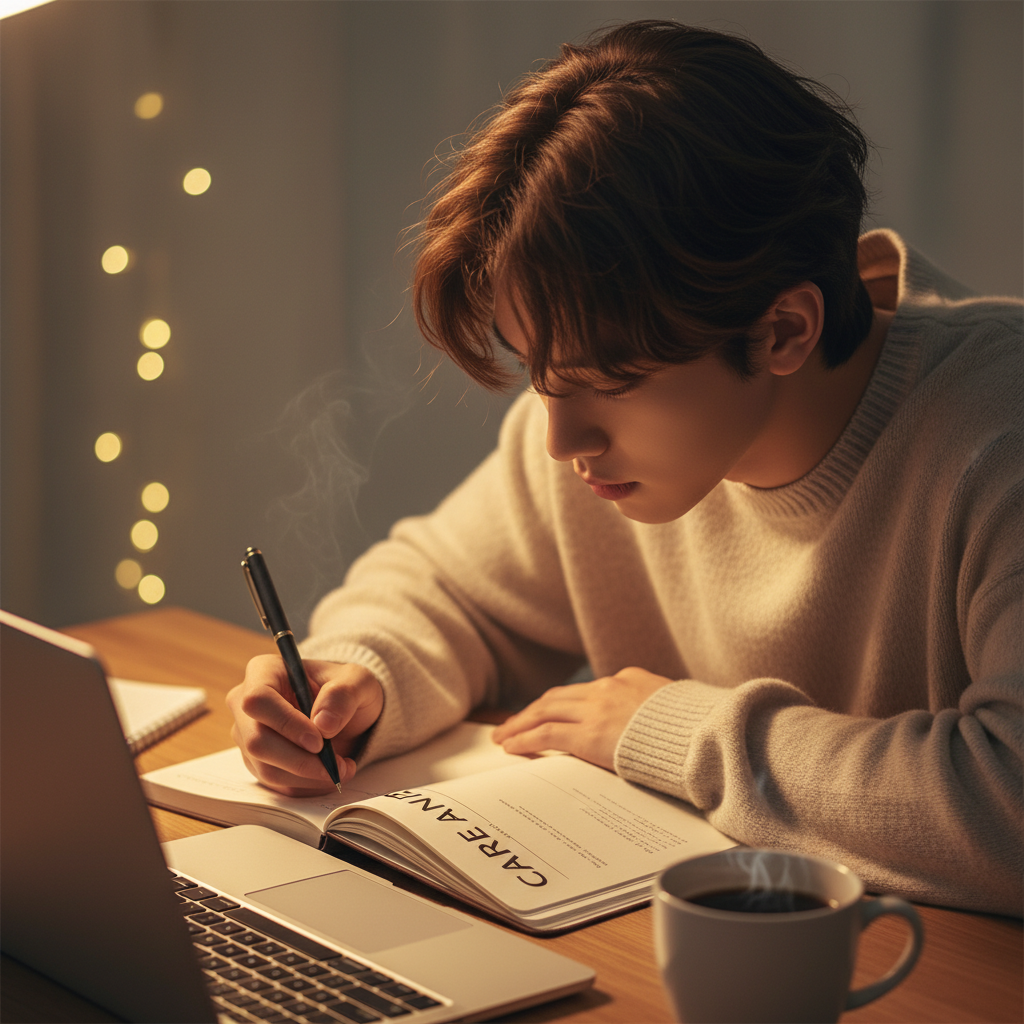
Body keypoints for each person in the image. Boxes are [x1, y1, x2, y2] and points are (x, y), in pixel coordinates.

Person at [228, 21, 1022, 916]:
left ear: (784, 331)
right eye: (537, 369)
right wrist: (359, 677)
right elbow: (449, 591)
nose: (561, 439)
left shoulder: (999, 440)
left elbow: (1011, 803)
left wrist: (669, 731)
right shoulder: (580, 436)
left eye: (608, 382)